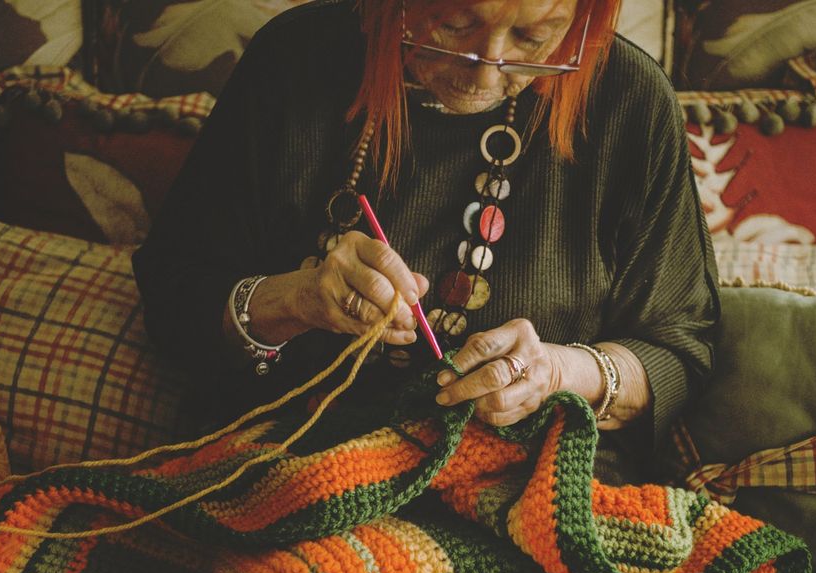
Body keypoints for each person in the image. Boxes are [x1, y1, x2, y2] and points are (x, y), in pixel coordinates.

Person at [133, 0, 718, 463]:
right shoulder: (296, 61)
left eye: (533, 40)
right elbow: (172, 298)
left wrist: (559, 372)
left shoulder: (628, 100)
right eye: (452, 25)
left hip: (525, 499)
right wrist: (296, 299)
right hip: (289, 472)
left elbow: (679, 352)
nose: (485, 69)